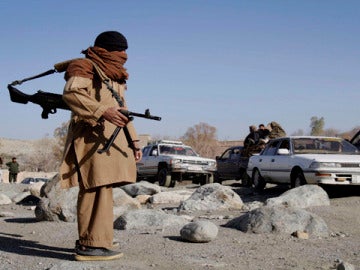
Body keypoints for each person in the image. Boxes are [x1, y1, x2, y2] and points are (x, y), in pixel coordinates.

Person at [60, 31, 142, 261]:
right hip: (90, 135)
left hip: (112, 138)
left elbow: (122, 108)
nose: (124, 55)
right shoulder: (84, 66)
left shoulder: (114, 74)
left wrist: (133, 141)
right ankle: (90, 245)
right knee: (94, 186)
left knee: (104, 187)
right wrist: (100, 111)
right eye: (120, 50)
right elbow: (72, 94)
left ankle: (100, 238)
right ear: (106, 49)